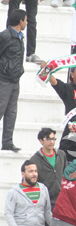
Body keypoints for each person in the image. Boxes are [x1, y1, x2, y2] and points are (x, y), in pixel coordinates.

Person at [0, 9, 26, 151]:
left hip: (15, 80)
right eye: (26, 20)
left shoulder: (20, 37)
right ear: (20, 21)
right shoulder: (5, 36)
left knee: (11, 112)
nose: (27, 22)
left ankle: (8, 142)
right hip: (4, 79)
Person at [29, 127, 66, 206]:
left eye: (53, 139)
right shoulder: (35, 160)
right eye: (48, 139)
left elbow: (66, 174)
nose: (51, 142)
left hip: (61, 199)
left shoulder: (61, 155)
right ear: (41, 141)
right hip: (44, 201)